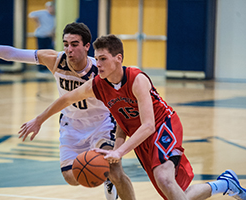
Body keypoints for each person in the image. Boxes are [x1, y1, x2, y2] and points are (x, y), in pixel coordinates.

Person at [18, 34, 246, 200]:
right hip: (140, 136)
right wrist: (39, 119)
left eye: (104, 59)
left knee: (164, 179)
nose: (98, 64)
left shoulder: (137, 79)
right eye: (96, 59)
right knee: (178, 194)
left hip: (162, 126)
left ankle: (225, 184)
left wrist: (119, 151)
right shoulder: (98, 85)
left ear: (118, 58)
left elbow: (148, 125)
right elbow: (67, 99)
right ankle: (225, 184)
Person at [0, 23, 136, 200]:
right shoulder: (55, 60)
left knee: (115, 170)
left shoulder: (101, 68)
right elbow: (12, 53)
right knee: (72, 177)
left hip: (101, 123)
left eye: (74, 44)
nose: (69, 49)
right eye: (66, 44)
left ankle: (111, 179)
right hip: (71, 125)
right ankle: (105, 177)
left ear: (87, 46)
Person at [29, 1, 55, 72]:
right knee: (40, 53)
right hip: (41, 35)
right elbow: (31, 14)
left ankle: (48, 67)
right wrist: (37, 22)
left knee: (49, 53)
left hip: (49, 36)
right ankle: (41, 68)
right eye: (50, 7)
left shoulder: (55, 16)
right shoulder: (43, 13)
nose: (51, 8)